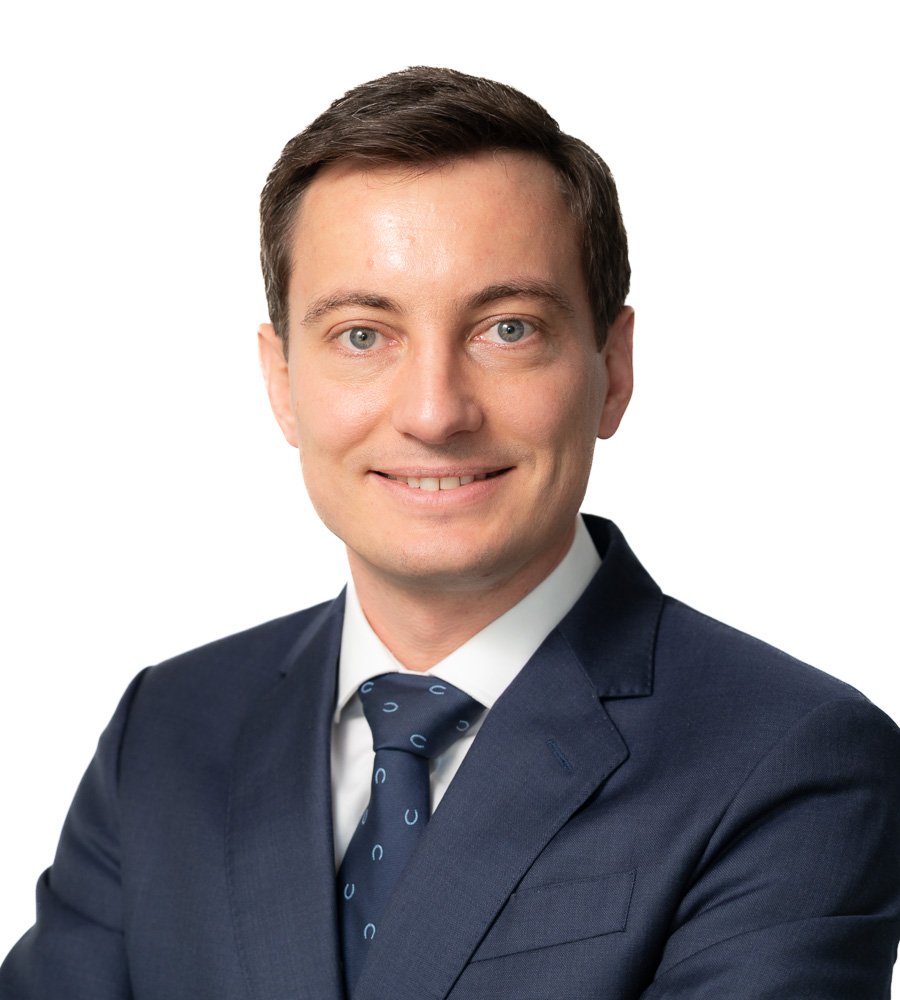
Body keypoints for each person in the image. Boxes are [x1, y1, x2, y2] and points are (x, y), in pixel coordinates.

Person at [2, 66, 899, 1000]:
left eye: (507, 329)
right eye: (362, 335)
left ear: (614, 368)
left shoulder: (790, 760)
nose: (434, 413)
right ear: (283, 382)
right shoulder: (167, 731)